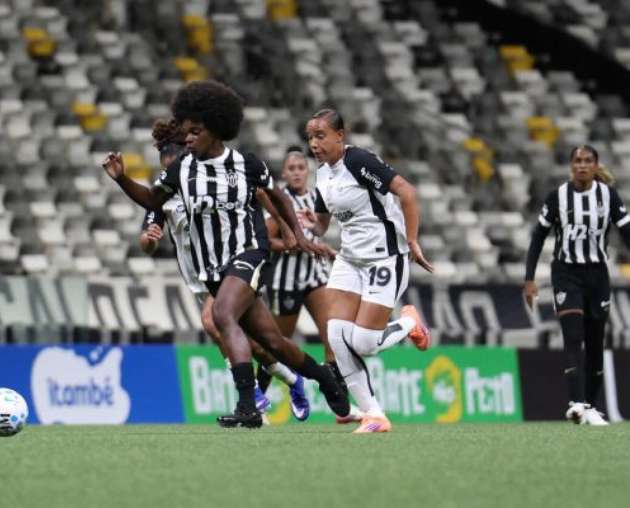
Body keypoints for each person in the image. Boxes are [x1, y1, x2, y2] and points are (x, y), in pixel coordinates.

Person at [103, 80, 348, 428]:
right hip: (213, 269)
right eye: (186, 131)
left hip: (249, 252)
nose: (188, 138)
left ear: (216, 129)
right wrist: (122, 179)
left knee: (221, 314)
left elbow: (277, 197)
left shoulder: (245, 164)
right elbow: (152, 200)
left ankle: (248, 406)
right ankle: (324, 378)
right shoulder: (181, 169)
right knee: (272, 342)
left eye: (195, 131)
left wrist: (296, 234)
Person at [138, 118, 310, 420]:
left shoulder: (209, 181)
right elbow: (147, 242)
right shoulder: (163, 197)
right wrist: (149, 239)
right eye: (167, 169)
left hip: (228, 268)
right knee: (256, 345)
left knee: (212, 321)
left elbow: (262, 195)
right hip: (198, 279)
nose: (172, 175)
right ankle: (293, 380)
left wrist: (287, 229)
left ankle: (251, 396)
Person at [302, 108, 433, 434]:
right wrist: (310, 225)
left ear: (340, 135)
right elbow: (323, 223)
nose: (314, 144)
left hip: (384, 258)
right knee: (335, 335)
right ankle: (374, 415)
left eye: (320, 136)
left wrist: (412, 240)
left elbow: (407, 192)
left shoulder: (359, 161)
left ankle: (410, 323)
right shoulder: (322, 174)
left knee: (364, 343)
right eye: (310, 137)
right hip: (349, 259)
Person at [524, 145, 629, 426]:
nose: (582, 165)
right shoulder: (557, 197)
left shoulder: (608, 196)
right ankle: (576, 403)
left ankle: (591, 407)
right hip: (566, 273)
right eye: (578, 161)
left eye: (587, 161)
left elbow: (627, 232)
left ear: (596, 165)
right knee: (573, 335)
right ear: (571, 166)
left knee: (595, 342)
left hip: (597, 276)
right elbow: (538, 237)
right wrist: (529, 279)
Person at [257, 147, 340, 421]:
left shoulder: (316, 198)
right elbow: (266, 240)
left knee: (332, 336)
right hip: (286, 281)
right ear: (284, 173)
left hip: (316, 276)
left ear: (307, 171)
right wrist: (289, 246)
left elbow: (318, 232)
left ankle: (339, 401)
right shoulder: (279, 201)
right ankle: (258, 400)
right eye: (291, 168)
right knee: (276, 345)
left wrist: (324, 248)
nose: (296, 173)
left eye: (300, 168)